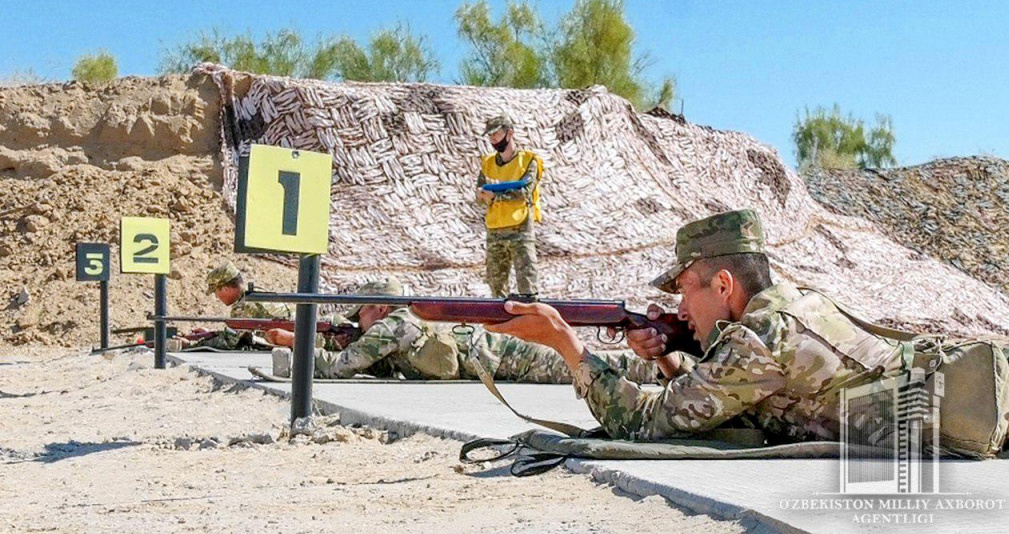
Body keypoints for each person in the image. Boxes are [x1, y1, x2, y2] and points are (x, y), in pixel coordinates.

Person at [484, 209, 906, 442]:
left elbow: (645, 423)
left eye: (686, 291)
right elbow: (722, 395)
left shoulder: (759, 340)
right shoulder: (794, 306)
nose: (681, 310)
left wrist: (566, 344)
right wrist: (669, 361)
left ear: (723, 284)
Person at [298, 277, 658, 384]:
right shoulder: (403, 323)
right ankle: (661, 365)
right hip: (499, 355)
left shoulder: (394, 324)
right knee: (583, 365)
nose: (358, 323)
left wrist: (290, 356)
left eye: (359, 316)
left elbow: (338, 368)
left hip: (507, 357)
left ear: (377, 308)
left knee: (583, 367)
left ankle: (662, 363)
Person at [475, 114, 544, 298]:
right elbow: (479, 193)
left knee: (528, 290)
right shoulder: (487, 163)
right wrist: (484, 196)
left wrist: (496, 195)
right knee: (496, 291)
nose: (493, 140)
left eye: (496, 134)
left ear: (510, 133)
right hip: (495, 232)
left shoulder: (529, 161)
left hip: (519, 230)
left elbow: (524, 192)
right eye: (490, 136)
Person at [182, 262, 294, 350]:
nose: (217, 297)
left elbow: (228, 342)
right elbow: (236, 334)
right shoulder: (256, 295)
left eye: (216, 292)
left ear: (225, 288)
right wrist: (210, 334)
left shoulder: (244, 306)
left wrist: (191, 344)